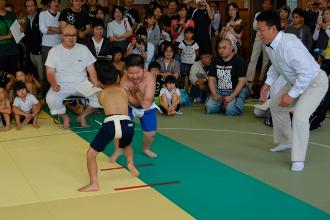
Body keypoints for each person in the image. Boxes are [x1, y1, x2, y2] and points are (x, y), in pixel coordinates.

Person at [257, 11, 329, 171]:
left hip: (315, 82)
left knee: (300, 116)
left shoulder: (290, 44)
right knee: (275, 106)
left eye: (261, 30)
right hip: (295, 81)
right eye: (258, 30)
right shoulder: (270, 44)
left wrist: (291, 95)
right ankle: (286, 141)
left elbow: (307, 73)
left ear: (273, 29)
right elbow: (276, 66)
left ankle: (298, 159)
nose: (259, 34)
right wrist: (267, 84)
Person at [78, 59, 139, 192]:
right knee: (126, 145)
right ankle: (131, 163)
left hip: (111, 125)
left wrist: (94, 85)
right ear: (117, 76)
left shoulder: (101, 93)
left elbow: (98, 94)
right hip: (127, 124)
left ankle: (94, 183)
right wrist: (134, 93)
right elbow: (136, 102)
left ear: (99, 81)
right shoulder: (123, 90)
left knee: (91, 154)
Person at [45, 25, 101, 128]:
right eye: (68, 35)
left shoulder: (83, 49)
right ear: (62, 36)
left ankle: (82, 116)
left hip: (82, 83)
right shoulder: (54, 51)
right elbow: (49, 73)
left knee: (100, 97)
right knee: (51, 98)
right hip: (61, 84)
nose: (71, 38)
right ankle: (65, 117)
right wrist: (54, 84)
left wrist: (95, 83)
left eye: (74, 35)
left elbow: (91, 70)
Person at [111, 54, 158, 160]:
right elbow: (130, 100)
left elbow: (147, 101)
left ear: (143, 69)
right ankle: (118, 150)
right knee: (118, 127)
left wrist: (137, 94)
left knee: (150, 134)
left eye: (137, 72)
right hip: (130, 106)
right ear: (126, 70)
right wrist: (134, 95)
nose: (135, 76)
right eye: (131, 73)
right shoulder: (124, 81)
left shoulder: (150, 78)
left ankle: (146, 148)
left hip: (147, 108)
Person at [205, 38, 248, 116]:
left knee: (230, 111)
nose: (221, 50)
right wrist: (214, 94)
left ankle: (235, 103)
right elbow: (211, 79)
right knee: (210, 108)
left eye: (224, 48)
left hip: (235, 91)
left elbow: (242, 81)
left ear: (231, 48)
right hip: (220, 91)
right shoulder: (215, 60)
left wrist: (232, 96)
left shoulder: (239, 61)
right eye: (219, 48)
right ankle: (222, 105)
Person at [246, 0, 272, 94]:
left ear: (271, 5)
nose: (266, 5)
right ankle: (249, 78)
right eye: (265, 3)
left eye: (268, 3)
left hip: (267, 38)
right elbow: (254, 26)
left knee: (266, 59)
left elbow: (270, 27)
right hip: (258, 38)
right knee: (253, 58)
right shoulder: (258, 14)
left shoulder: (271, 15)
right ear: (262, 4)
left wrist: (260, 26)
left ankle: (262, 79)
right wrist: (264, 27)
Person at [0, 0, 19, 79]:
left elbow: (17, 32)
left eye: (3, 1)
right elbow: (9, 36)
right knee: (3, 77)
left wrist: (20, 30)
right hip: (1, 52)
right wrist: (7, 36)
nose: (1, 3)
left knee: (14, 75)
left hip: (13, 50)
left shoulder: (12, 15)